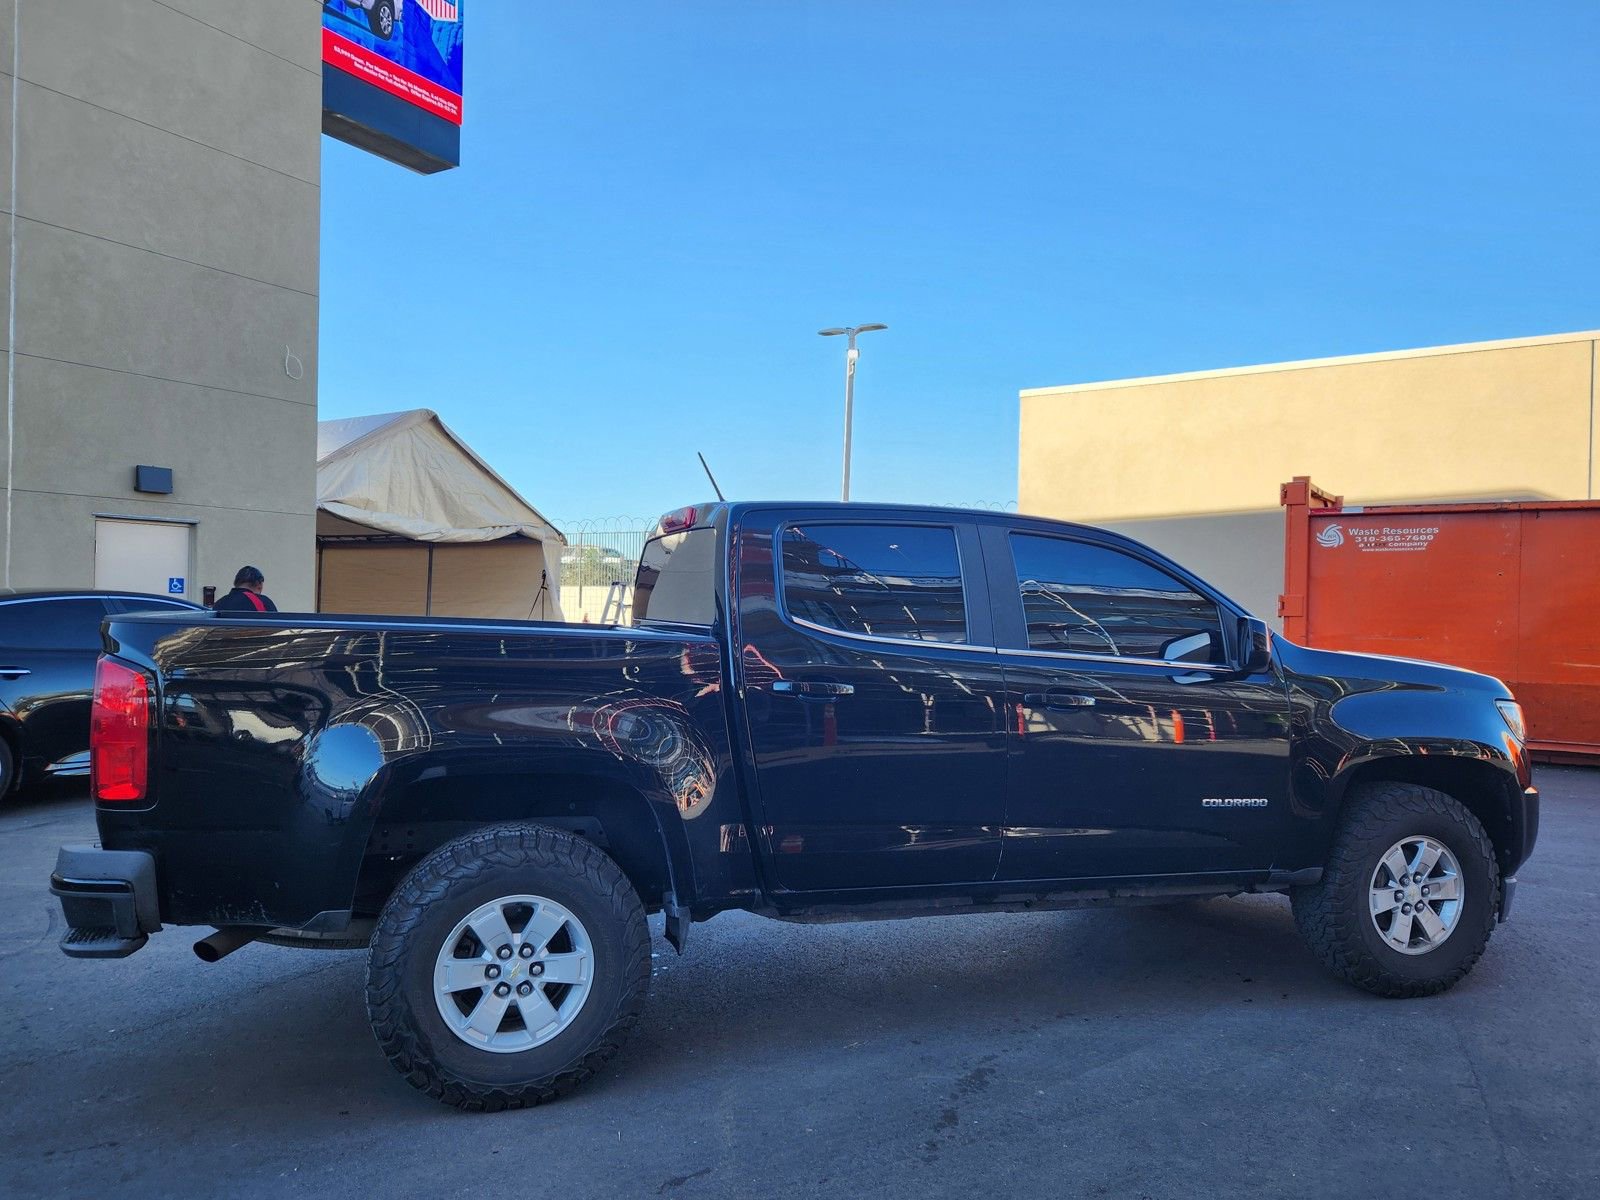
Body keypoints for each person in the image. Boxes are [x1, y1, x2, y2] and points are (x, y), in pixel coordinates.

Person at [213, 566, 278, 614]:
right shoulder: (263, 602)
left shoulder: (219, 603)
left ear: (236, 583)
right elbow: (277, 628)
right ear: (259, 585)